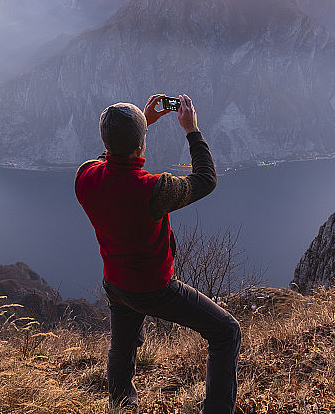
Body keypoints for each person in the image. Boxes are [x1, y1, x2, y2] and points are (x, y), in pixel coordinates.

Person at [75, 93, 241, 414]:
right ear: (140, 146)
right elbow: (205, 180)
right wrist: (192, 129)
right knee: (226, 332)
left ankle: (122, 406)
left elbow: (105, 162)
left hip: (115, 283)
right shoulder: (153, 189)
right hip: (154, 289)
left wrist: (142, 126)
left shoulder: (84, 178)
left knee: (121, 348)